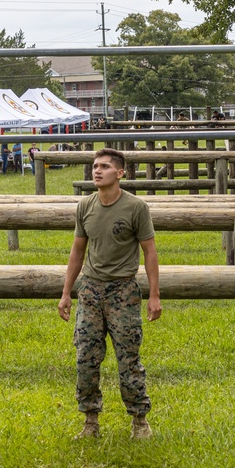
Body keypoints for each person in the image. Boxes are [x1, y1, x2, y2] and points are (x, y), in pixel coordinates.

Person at [58, 148, 161, 440]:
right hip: (90, 289)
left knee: (128, 358)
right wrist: (67, 293)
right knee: (86, 357)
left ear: (120, 173)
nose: (97, 171)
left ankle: (140, 421)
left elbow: (150, 252)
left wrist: (154, 296)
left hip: (123, 290)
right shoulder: (85, 206)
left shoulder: (136, 208)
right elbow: (77, 251)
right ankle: (90, 422)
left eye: (104, 166)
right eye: (94, 166)